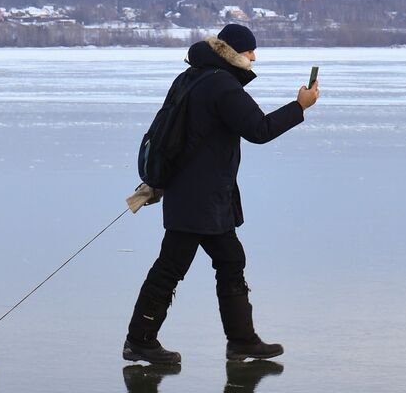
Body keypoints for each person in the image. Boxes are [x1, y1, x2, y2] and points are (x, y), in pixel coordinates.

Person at [124, 23, 319, 365]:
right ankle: (142, 341)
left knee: (227, 261)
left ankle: (240, 340)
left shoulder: (192, 77)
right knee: (175, 268)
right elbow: (259, 130)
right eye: (249, 51)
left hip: (197, 194)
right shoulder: (222, 86)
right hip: (201, 198)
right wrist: (300, 106)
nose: (254, 57)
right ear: (234, 53)